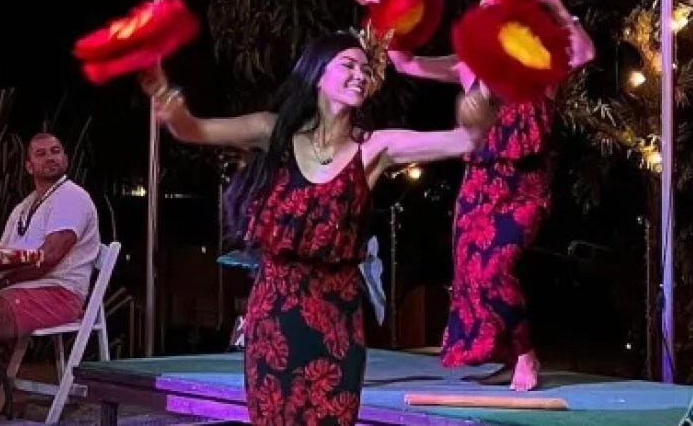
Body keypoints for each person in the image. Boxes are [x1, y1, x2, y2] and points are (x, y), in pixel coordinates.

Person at [138, 32, 486, 426]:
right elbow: (193, 130)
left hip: (336, 318)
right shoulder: (274, 133)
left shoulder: (374, 148)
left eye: (365, 68)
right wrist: (170, 102)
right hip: (275, 313)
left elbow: (465, 139)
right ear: (318, 75)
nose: (360, 74)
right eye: (348, 65)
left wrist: (481, 98)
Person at [357, 0, 595, 391]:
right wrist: (382, 8)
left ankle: (525, 353)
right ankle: (508, 353)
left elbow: (585, 52)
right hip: (479, 186)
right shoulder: (469, 66)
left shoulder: (540, 63)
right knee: (470, 276)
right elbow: (404, 62)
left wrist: (555, 3)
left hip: (524, 188)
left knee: (493, 270)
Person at [0, 132, 99, 373]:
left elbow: (49, 258)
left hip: (58, 293)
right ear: (29, 166)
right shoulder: (25, 206)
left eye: (55, 151)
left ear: (65, 158)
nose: (50, 158)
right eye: (41, 154)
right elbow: (7, 251)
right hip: (18, 288)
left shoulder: (71, 197)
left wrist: (1, 281)